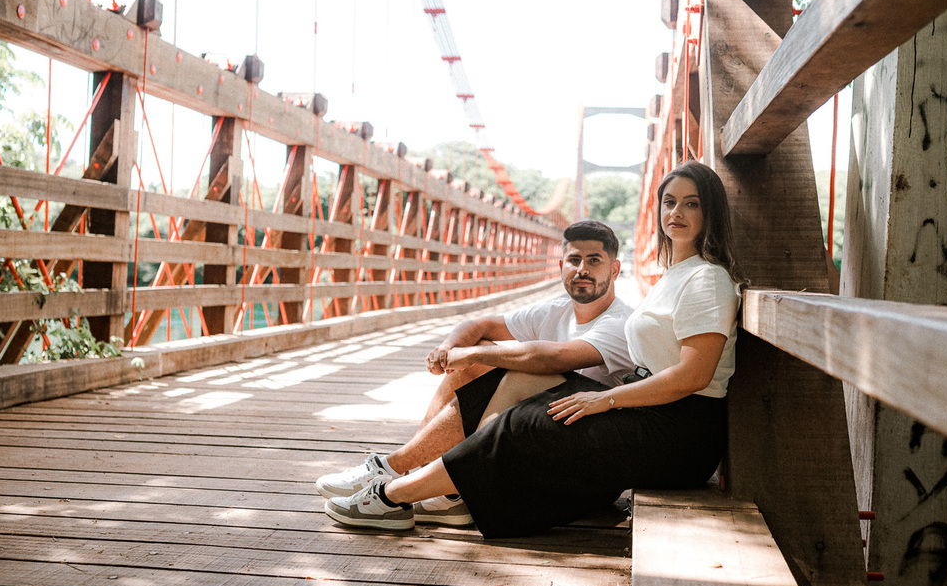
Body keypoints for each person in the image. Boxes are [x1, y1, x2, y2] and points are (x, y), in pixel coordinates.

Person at [324, 161, 744, 537]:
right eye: (669, 202)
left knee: (526, 425)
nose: (676, 213)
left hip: (680, 432)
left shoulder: (706, 279)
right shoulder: (675, 275)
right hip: (652, 409)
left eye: (691, 204)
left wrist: (606, 399)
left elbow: (694, 376)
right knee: (523, 381)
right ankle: (448, 491)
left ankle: (391, 496)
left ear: (710, 212)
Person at [314, 219, 635, 527]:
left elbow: (555, 358)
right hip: (540, 432)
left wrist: (471, 353)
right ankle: (441, 492)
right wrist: (449, 349)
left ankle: (392, 470)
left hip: (579, 458)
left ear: (615, 268)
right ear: (561, 266)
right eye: (574, 259)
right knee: (475, 359)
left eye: (594, 260)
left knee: (516, 369)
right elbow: (478, 325)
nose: (582, 269)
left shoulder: (621, 323)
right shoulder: (555, 311)